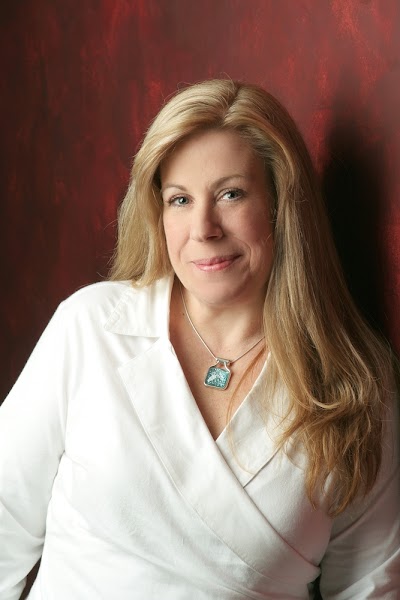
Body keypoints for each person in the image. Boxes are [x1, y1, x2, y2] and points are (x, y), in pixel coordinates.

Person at [1, 79, 399, 600]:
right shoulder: (91, 328)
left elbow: (371, 586)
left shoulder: (356, 387)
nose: (203, 228)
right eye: (180, 200)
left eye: (231, 194)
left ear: (282, 205)